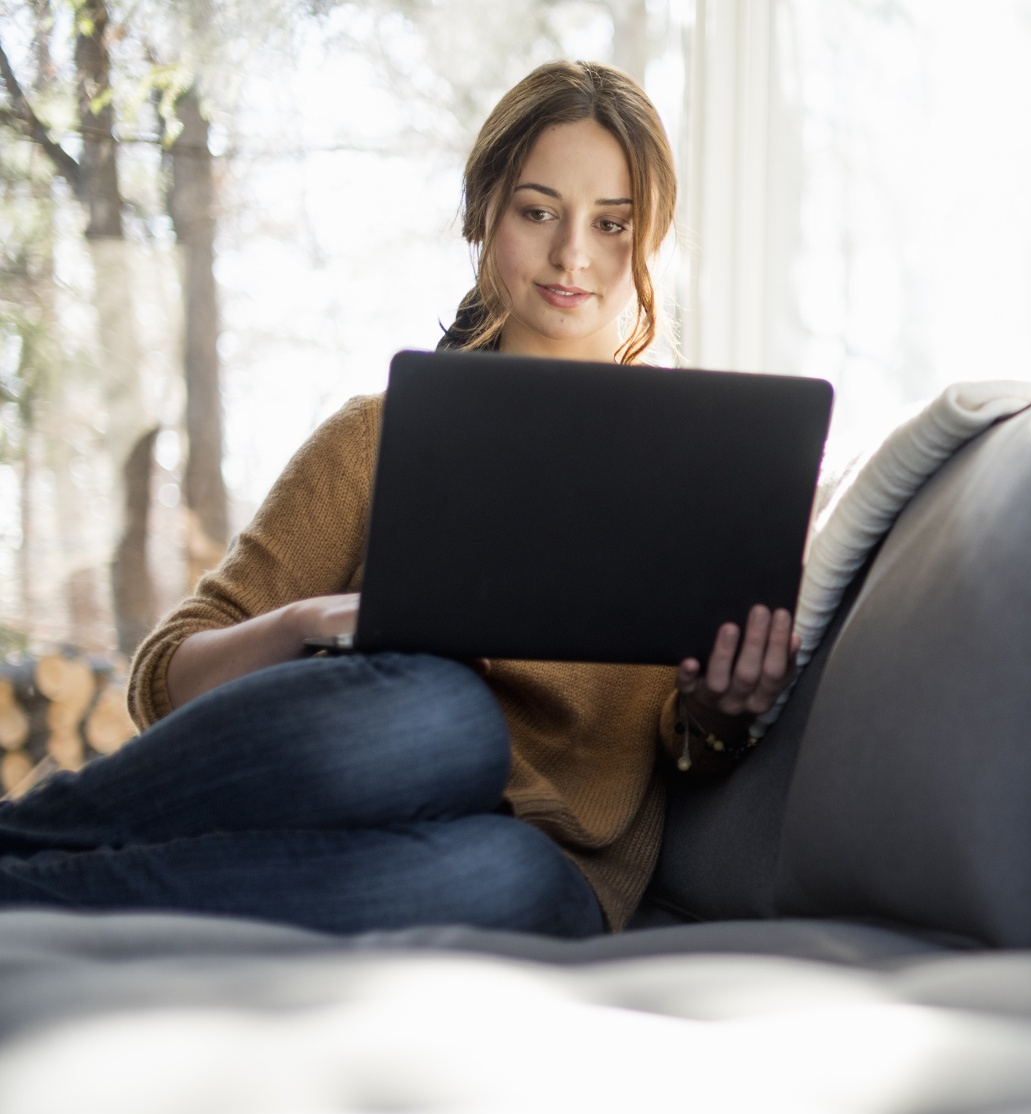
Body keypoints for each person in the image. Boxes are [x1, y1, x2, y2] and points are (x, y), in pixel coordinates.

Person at [0, 61, 792, 936]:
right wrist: (312, 622)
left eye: (612, 225)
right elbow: (164, 679)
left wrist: (721, 710)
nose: (575, 255)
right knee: (447, 716)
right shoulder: (375, 437)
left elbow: (683, 750)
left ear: (649, 242)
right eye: (539, 212)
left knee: (513, 870)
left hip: (543, 861)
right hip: (372, 775)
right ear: (482, 215)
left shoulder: (691, 470)